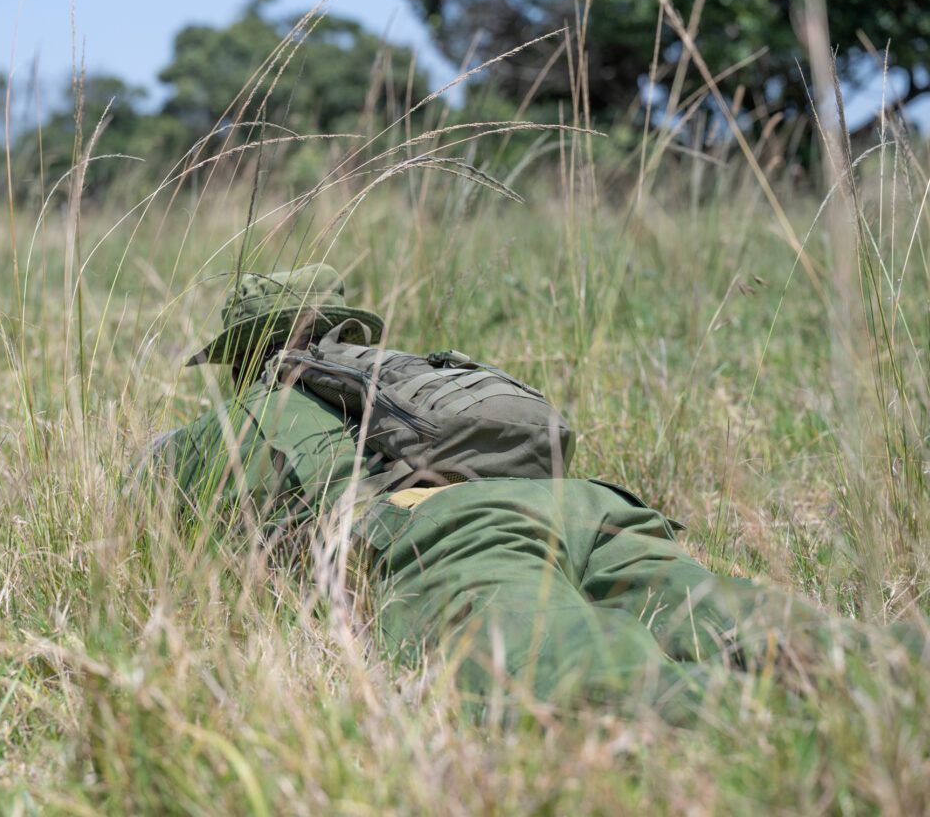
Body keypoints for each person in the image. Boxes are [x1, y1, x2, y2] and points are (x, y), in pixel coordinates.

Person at [140, 263, 926, 723]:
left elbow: (180, 535)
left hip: (447, 532)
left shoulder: (239, 418)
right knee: (766, 627)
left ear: (241, 354)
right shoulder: (409, 376)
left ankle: (785, 742)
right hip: (587, 504)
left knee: (589, 688)